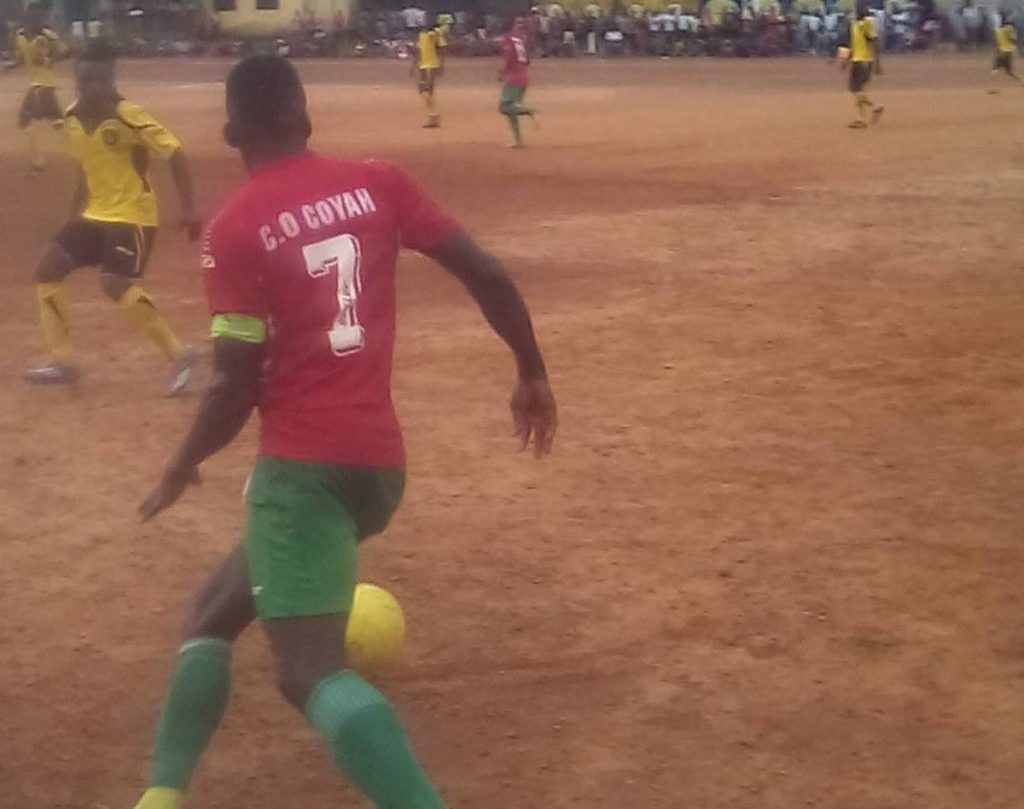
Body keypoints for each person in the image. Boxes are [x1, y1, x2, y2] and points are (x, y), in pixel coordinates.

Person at [130, 54, 557, 809]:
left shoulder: (235, 228)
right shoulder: (378, 183)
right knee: (213, 611)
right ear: (304, 116)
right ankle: (161, 793)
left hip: (302, 472)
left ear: (232, 134)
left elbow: (233, 384)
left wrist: (181, 462)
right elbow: (485, 272)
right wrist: (531, 372)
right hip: (377, 468)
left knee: (306, 671)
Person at [24, 39, 199, 393]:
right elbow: (85, 172)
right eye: (85, 80)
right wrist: (72, 219)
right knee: (47, 268)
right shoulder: (72, 118)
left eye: (99, 80)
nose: (91, 87)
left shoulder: (128, 115)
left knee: (114, 282)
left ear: (112, 79)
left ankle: (180, 355)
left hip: (134, 216)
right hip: (95, 215)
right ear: (76, 80)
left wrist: (190, 210)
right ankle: (63, 361)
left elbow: (175, 153)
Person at [5, 1, 66, 177]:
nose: (37, 18)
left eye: (39, 15)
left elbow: (64, 51)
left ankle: (38, 161)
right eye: (34, 15)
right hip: (41, 87)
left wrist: (50, 58)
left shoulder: (47, 36)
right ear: (28, 16)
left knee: (25, 122)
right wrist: (9, 66)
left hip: (42, 86)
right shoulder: (20, 36)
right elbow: (20, 59)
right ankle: (81, 147)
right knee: (57, 122)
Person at [846, 0, 884, 128]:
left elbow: (874, 41)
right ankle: (861, 118)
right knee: (859, 90)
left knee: (855, 89)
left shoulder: (867, 23)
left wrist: (877, 62)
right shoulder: (854, 24)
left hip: (863, 60)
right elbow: (853, 44)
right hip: (859, 59)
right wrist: (848, 58)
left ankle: (874, 107)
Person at [498, 18, 535, 148]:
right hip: (524, 78)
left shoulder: (507, 39)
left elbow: (508, 58)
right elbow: (527, 61)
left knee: (504, 107)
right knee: (512, 110)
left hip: (513, 79)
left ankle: (530, 112)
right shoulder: (520, 41)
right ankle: (518, 140)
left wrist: (502, 72)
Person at [412, 15, 446, 128]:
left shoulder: (435, 33)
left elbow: (442, 50)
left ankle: (433, 115)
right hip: (423, 64)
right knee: (422, 90)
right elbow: (419, 51)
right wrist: (414, 65)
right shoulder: (422, 34)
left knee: (428, 90)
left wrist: (441, 65)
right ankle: (433, 114)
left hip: (432, 64)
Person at [989, 11, 1020, 92]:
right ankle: (1021, 80)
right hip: (1009, 51)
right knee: (1009, 71)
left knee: (995, 68)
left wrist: (996, 51)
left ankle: (993, 87)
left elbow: (995, 42)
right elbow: (1013, 39)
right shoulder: (1010, 28)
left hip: (1002, 51)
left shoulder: (997, 30)